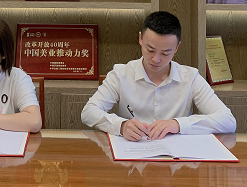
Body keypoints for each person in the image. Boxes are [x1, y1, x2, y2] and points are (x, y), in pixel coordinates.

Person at [81, 11, 236, 141]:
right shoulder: (121, 74)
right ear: (140, 39)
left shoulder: (190, 78)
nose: (156, 59)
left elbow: (228, 121)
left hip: (176, 159)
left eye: (165, 53)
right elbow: (89, 112)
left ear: (177, 47)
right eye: (150, 50)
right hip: (132, 157)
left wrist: (178, 124)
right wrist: (120, 126)